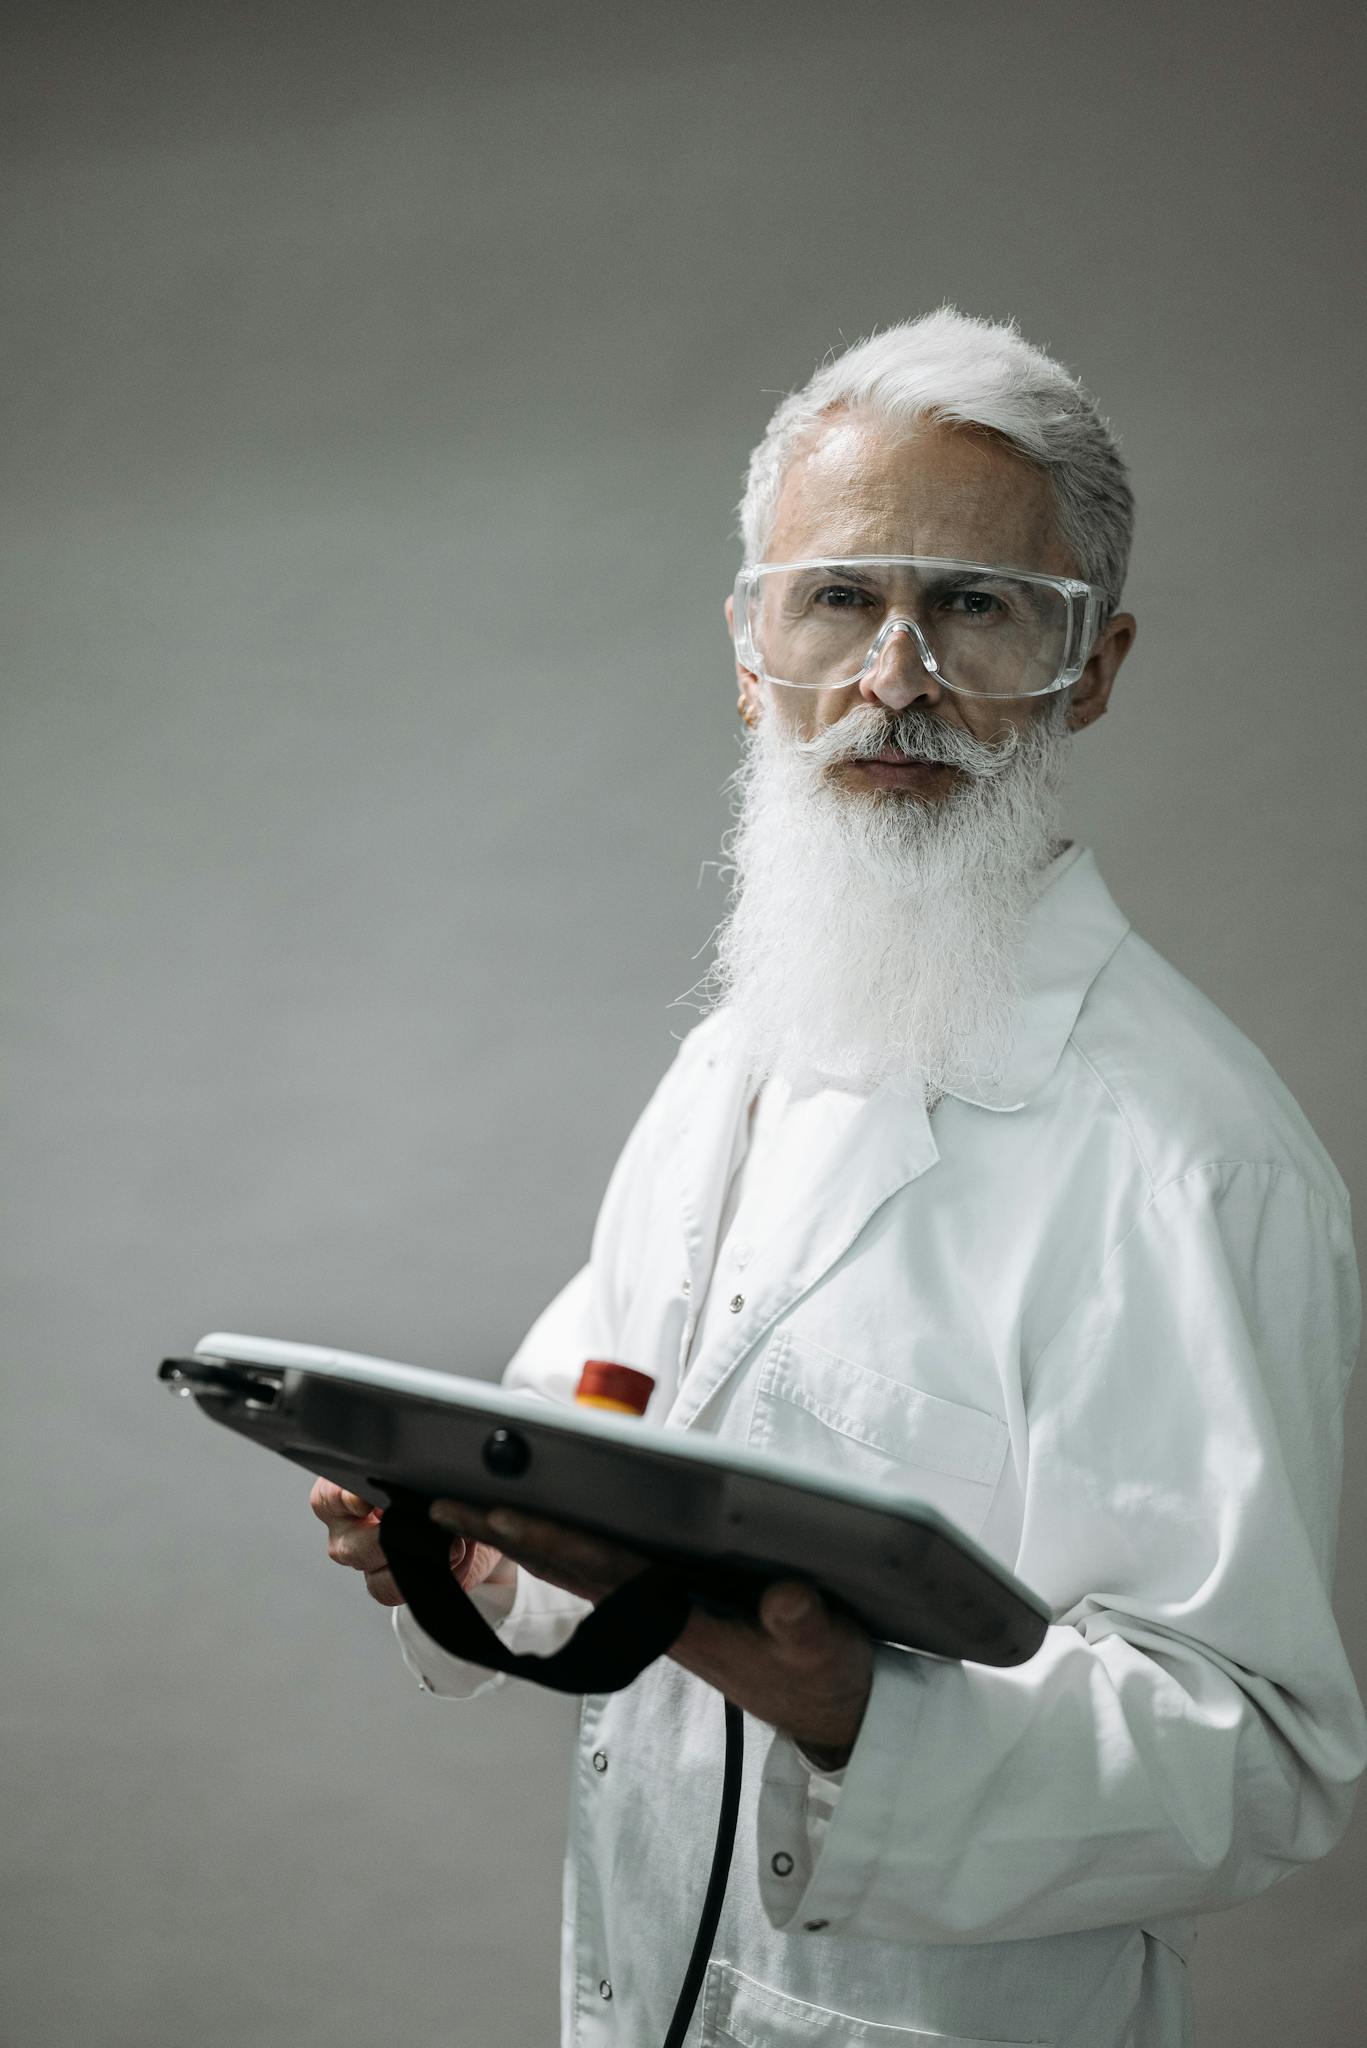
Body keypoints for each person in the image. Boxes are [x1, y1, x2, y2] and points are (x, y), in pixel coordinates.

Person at [310, 309, 1365, 2047]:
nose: (893, 676)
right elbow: (607, 1431)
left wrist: (857, 1702)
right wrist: (482, 1558)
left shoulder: (1195, 1163)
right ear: (749, 652)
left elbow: (1257, 1759)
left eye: (972, 606)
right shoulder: (740, 1051)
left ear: (1089, 668)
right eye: (838, 600)